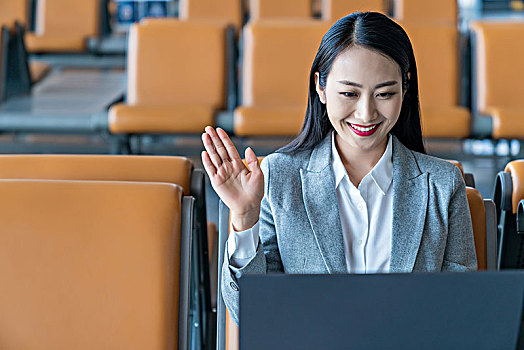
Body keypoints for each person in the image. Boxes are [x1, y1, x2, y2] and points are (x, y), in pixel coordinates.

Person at [201, 12, 477, 325]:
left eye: (385, 94)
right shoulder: (279, 177)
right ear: (320, 87)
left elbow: (459, 311)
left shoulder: (441, 184)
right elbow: (251, 314)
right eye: (349, 93)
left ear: (405, 88)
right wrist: (244, 219)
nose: (366, 112)